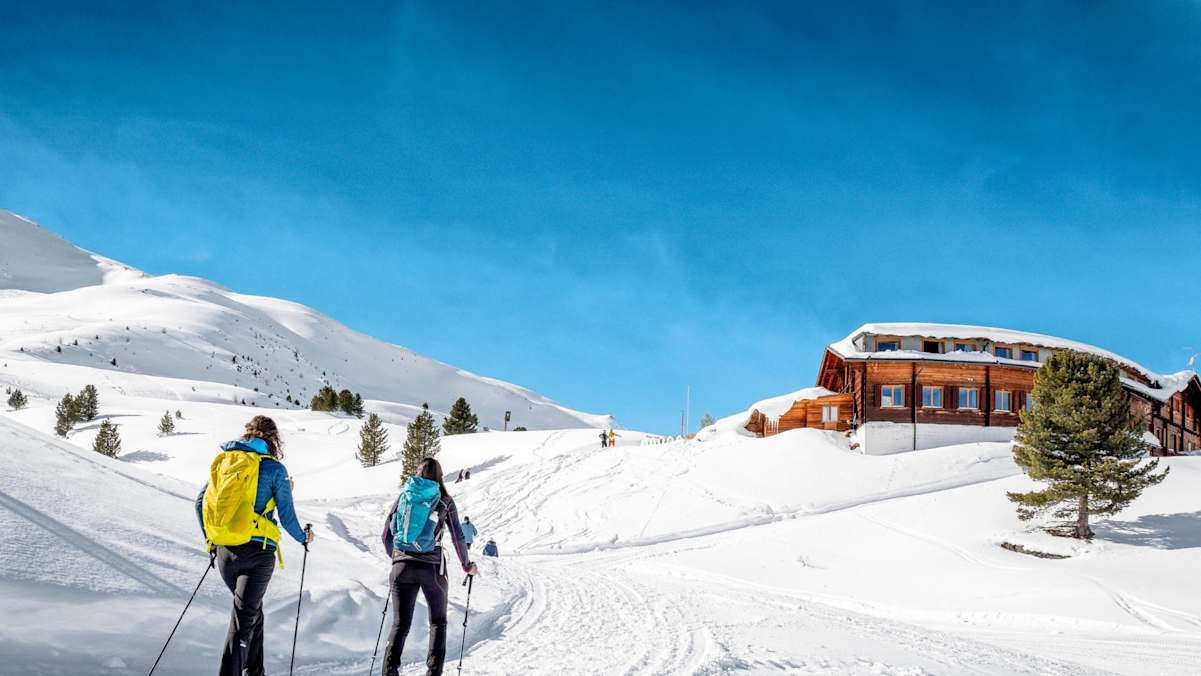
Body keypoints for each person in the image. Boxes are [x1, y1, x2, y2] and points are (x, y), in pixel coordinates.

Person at [195, 415, 314, 676]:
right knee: (242, 624)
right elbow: (287, 516)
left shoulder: (228, 461)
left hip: (226, 551)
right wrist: (304, 538)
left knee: (252, 615)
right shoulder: (274, 469)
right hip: (257, 554)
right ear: (273, 439)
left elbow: (200, 502)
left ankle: (256, 672)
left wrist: (211, 542)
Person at [381, 458, 477, 676]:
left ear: (418, 472)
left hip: (401, 566)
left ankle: (389, 672)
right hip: (432, 568)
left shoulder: (404, 496)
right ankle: (433, 673)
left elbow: (386, 534)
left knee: (399, 625)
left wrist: (396, 558)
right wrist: (466, 565)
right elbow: (458, 536)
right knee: (438, 622)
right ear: (440, 476)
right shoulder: (445, 501)